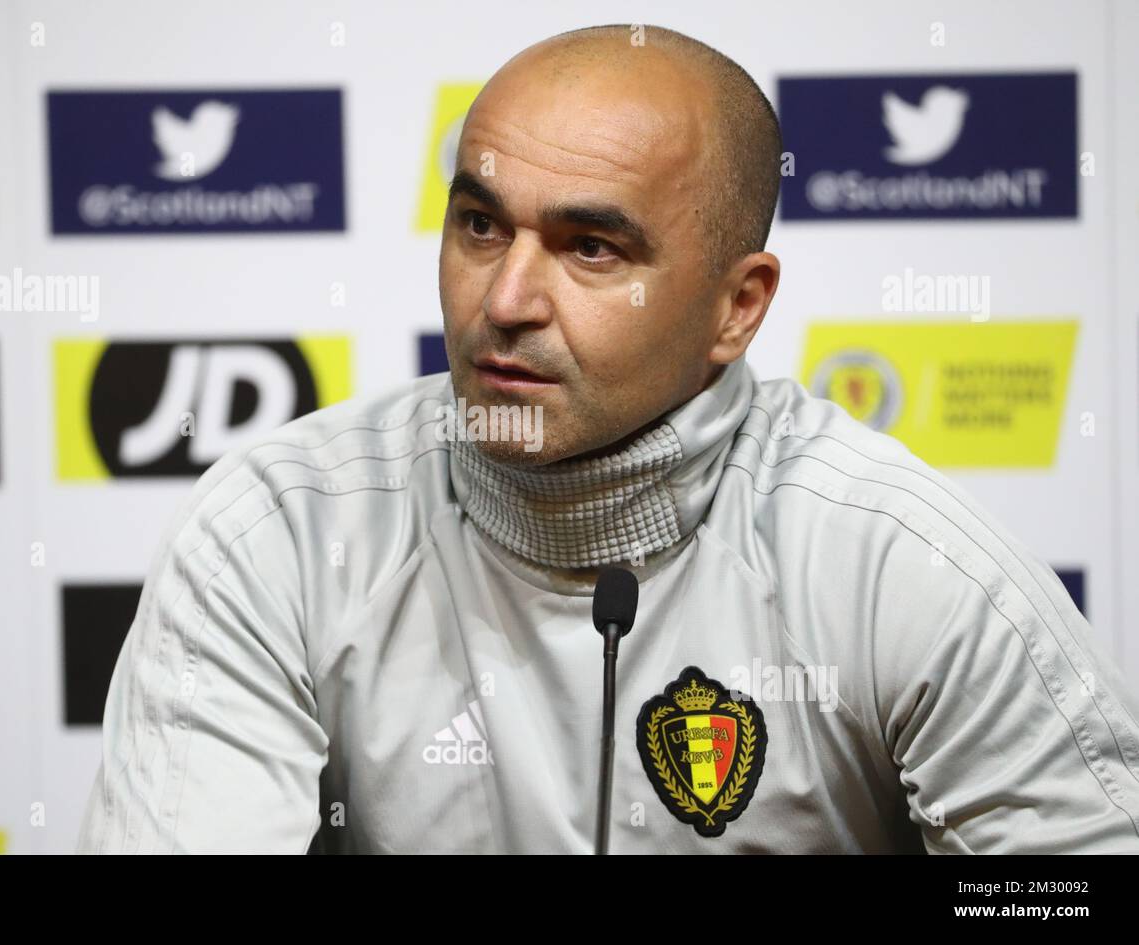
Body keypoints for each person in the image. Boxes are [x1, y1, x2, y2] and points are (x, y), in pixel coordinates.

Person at [76, 23, 1139, 853]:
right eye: (480, 224)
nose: (505, 299)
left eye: (591, 248)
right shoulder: (282, 534)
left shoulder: (902, 564)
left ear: (737, 307)